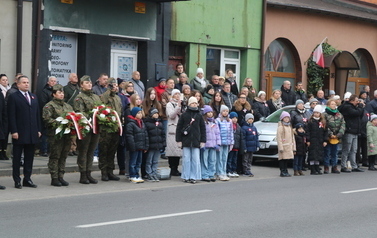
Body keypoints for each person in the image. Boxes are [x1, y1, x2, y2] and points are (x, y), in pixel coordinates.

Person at [8, 75, 41, 188]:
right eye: (24, 82)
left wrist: (38, 129)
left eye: (27, 82)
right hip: (19, 132)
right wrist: (14, 131)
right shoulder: (14, 97)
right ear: (18, 84)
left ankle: (27, 179)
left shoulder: (33, 97)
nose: (26, 84)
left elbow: (37, 115)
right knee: (17, 158)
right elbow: (11, 116)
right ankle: (17, 179)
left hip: (32, 132)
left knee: (29, 157)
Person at [42, 84, 73, 186]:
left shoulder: (67, 106)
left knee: (63, 156)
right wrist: (60, 122)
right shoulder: (49, 106)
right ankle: (54, 177)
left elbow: (73, 117)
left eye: (62, 93)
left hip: (66, 135)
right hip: (55, 135)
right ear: (54, 94)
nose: (61, 95)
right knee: (55, 156)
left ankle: (61, 176)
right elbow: (47, 119)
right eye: (59, 93)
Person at [73, 75, 101, 184]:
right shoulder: (79, 98)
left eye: (90, 83)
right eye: (86, 83)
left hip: (95, 127)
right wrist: (91, 114)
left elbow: (100, 108)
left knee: (91, 151)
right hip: (85, 127)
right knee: (83, 151)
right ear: (81, 85)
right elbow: (79, 112)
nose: (89, 84)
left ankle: (89, 173)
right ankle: (83, 174)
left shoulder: (95, 97)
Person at [176, 97, 206, 184]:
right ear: (189, 104)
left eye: (196, 103)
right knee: (186, 159)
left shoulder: (199, 116)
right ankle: (186, 176)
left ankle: (194, 176)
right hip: (186, 141)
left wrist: (203, 141)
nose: (194, 105)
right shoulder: (184, 115)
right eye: (192, 103)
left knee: (196, 159)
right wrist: (179, 140)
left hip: (196, 141)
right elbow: (179, 128)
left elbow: (203, 129)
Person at [98, 78, 122, 182]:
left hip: (115, 127)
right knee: (104, 150)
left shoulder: (117, 98)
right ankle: (104, 172)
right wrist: (109, 90)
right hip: (106, 128)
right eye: (113, 85)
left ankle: (110, 171)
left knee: (112, 151)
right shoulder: (104, 96)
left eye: (116, 86)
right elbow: (102, 102)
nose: (115, 87)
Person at [338, 94, 365, 173]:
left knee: (354, 150)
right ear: (352, 101)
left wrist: (359, 108)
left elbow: (360, 115)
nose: (358, 102)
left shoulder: (354, 107)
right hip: (349, 131)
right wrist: (360, 107)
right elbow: (355, 113)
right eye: (356, 101)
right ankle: (343, 166)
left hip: (355, 131)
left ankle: (354, 166)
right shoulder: (347, 107)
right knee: (346, 149)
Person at [126, 107, 149, 183]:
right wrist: (132, 146)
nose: (140, 114)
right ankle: (132, 175)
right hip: (135, 147)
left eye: (141, 113)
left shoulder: (142, 123)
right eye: (138, 113)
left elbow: (145, 135)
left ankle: (137, 175)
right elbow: (129, 136)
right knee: (133, 162)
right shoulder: (131, 123)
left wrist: (145, 146)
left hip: (140, 146)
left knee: (139, 162)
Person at [323, 99, 345, 174]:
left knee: (335, 152)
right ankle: (326, 166)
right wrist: (330, 134)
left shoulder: (339, 114)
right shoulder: (324, 114)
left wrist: (339, 134)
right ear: (328, 105)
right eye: (332, 104)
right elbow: (324, 125)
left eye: (334, 104)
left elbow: (343, 124)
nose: (334, 105)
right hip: (328, 137)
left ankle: (334, 166)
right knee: (327, 152)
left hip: (337, 136)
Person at [145, 108, 166, 181]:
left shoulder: (160, 123)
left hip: (158, 145)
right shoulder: (148, 124)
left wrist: (163, 144)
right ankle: (149, 173)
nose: (156, 114)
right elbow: (146, 135)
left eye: (157, 113)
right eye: (154, 113)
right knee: (149, 161)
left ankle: (154, 173)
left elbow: (163, 134)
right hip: (151, 145)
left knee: (155, 160)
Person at [39, 76, 58, 157]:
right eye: (52, 81)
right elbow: (43, 103)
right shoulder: (45, 91)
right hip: (48, 115)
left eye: (55, 81)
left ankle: (51, 150)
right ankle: (44, 150)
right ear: (48, 82)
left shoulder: (57, 92)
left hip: (56, 116)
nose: (53, 82)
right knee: (46, 133)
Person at [201, 105, 220, 182]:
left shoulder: (214, 122)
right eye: (208, 112)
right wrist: (202, 144)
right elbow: (202, 133)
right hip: (206, 145)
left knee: (212, 160)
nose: (210, 114)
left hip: (213, 145)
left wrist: (218, 143)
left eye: (211, 112)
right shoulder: (203, 122)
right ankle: (204, 175)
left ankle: (211, 174)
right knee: (204, 160)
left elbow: (217, 134)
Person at [307, 105, 328, 175]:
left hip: (320, 141)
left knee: (318, 154)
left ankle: (317, 167)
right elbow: (308, 131)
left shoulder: (322, 122)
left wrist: (325, 140)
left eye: (317, 113)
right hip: (313, 141)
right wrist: (308, 140)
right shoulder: (311, 122)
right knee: (312, 154)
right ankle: (312, 169)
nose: (316, 114)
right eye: (315, 112)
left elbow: (325, 132)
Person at [166, 89, 182, 176]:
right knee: (172, 150)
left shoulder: (180, 104)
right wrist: (177, 107)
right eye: (176, 94)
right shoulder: (169, 104)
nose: (177, 96)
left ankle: (176, 168)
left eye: (178, 94)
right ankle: (172, 168)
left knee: (178, 150)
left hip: (179, 128)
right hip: (172, 128)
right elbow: (171, 115)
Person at [216, 105, 234, 181]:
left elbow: (231, 132)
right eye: (224, 111)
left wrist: (231, 142)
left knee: (224, 158)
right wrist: (218, 142)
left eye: (227, 111)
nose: (225, 113)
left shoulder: (229, 121)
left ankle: (224, 172)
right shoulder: (218, 120)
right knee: (219, 159)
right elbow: (217, 132)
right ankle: (219, 173)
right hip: (220, 143)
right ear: (221, 112)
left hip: (227, 142)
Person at [276, 111, 295, 177]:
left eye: (288, 118)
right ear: (282, 119)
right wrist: (280, 147)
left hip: (289, 146)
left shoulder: (289, 127)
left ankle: (286, 170)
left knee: (286, 159)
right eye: (285, 118)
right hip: (283, 146)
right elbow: (279, 138)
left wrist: (293, 147)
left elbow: (292, 138)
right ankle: (282, 171)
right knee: (282, 159)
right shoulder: (281, 127)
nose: (286, 119)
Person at [227, 112, 243, 177]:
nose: (235, 119)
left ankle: (234, 170)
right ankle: (229, 170)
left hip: (236, 146)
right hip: (231, 146)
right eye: (233, 118)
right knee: (229, 159)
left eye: (236, 118)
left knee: (234, 160)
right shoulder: (229, 125)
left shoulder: (238, 126)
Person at [0, 74, 10, 160]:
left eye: (6, 80)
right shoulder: (1, 91)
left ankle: (4, 152)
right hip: (2, 115)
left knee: (6, 135)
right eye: (3, 80)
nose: (5, 81)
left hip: (7, 115)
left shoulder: (9, 90)